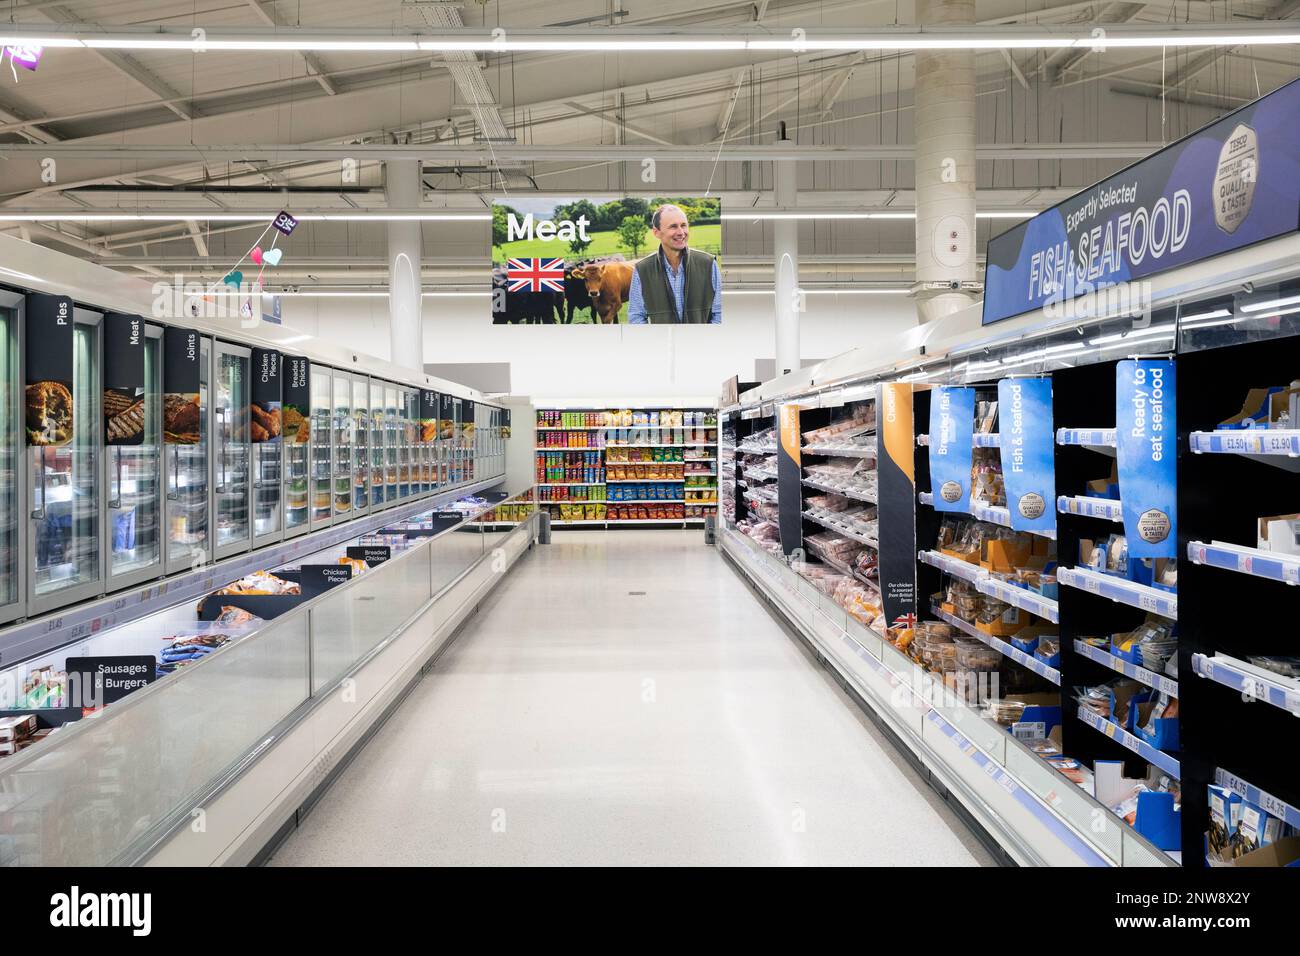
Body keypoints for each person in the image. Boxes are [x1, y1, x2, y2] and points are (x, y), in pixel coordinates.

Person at [626, 204, 722, 324]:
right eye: (673, 227)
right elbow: (636, 317)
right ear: (656, 232)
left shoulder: (709, 264)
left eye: (683, 225)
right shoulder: (642, 270)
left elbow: (720, 314)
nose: (681, 232)